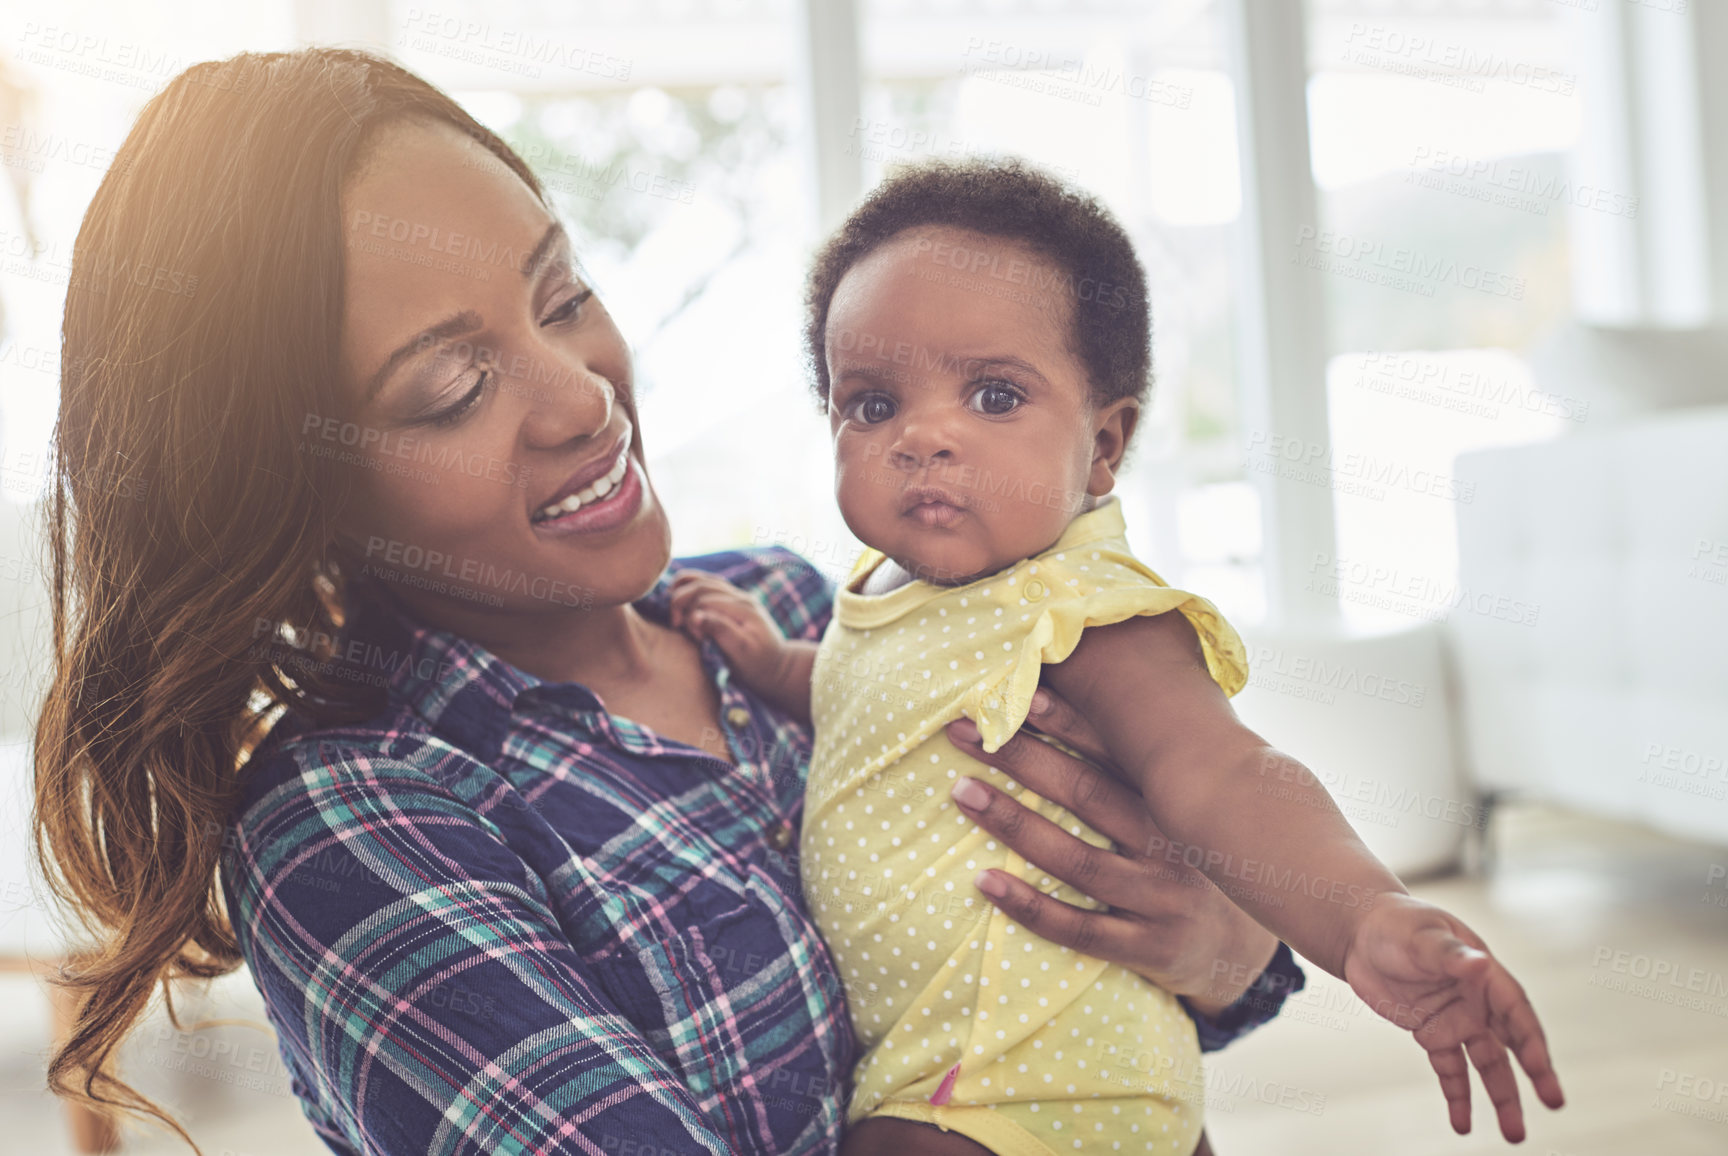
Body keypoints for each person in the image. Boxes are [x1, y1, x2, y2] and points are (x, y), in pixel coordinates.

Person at [30, 49, 1301, 1156]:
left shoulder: (801, 611)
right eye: (452, 391)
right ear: (293, 488)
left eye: (563, 297)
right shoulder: (359, 820)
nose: (585, 397)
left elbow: (1121, 989)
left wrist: (1230, 946)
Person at [669, 159, 1566, 1156]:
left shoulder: (1077, 606)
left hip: (1040, 1070)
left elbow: (1222, 769)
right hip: (941, 1056)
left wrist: (1361, 915)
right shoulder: (889, 590)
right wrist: (775, 663)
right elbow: (872, 701)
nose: (924, 435)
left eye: (994, 395)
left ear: (1103, 446)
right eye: (873, 404)